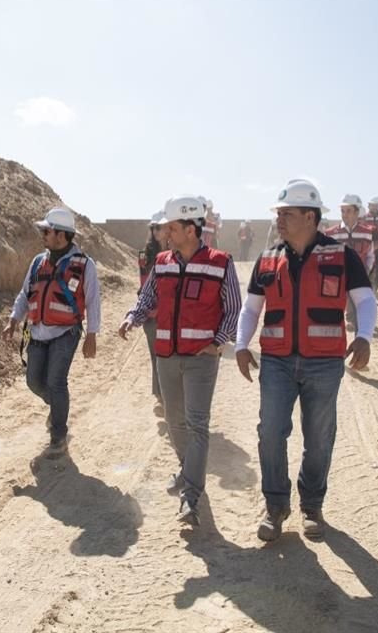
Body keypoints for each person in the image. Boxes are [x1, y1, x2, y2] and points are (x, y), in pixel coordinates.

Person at [236, 179, 376, 541]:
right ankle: (275, 506)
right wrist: (240, 344)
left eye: (288, 213)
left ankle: (311, 506)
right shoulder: (269, 258)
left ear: (311, 217)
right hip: (277, 362)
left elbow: (364, 300)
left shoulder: (343, 257)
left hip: (324, 364)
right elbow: (251, 309)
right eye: (279, 213)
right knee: (270, 432)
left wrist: (364, 336)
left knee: (318, 437)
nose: (280, 220)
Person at [118, 195, 241, 527]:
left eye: (171, 227)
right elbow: (148, 297)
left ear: (190, 228)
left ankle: (191, 496)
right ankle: (188, 469)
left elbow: (233, 309)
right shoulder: (162, 261)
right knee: (175, 422)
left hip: (201, 358)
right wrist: (133, 316)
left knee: (197, 424)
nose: (166, 233)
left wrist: (217, 343)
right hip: (167, 355)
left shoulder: (221, 262)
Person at [2, 207, 101, 457]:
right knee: (34, 382)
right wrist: (14, 319)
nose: (42, 234)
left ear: (61, 234)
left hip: (66, 332)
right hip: (37, 332)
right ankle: (58, 408)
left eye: (46, 230)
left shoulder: (84, 264)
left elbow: (93, 301)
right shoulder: (38, 261)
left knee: (56, 382)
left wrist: (92, 334)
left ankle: (58, 436)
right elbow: (26, 293)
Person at [325, 194, 376, 329]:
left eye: (348, 211)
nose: (344, 214)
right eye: (342, 211)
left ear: (357, 212)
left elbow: (370, 255)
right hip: (338, 277)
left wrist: (365, 271)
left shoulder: (367, 232)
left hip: (359, 276)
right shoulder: (331, 233)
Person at [138, 210, 169, 417]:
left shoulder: (181, 252)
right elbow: (144, 285)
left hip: (173, 313)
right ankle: (161, 398)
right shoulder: (146, 255)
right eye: (154, 228)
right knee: (157, 356)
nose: (157, 231)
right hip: (152, 314)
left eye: (161, 227)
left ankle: (170, 398)